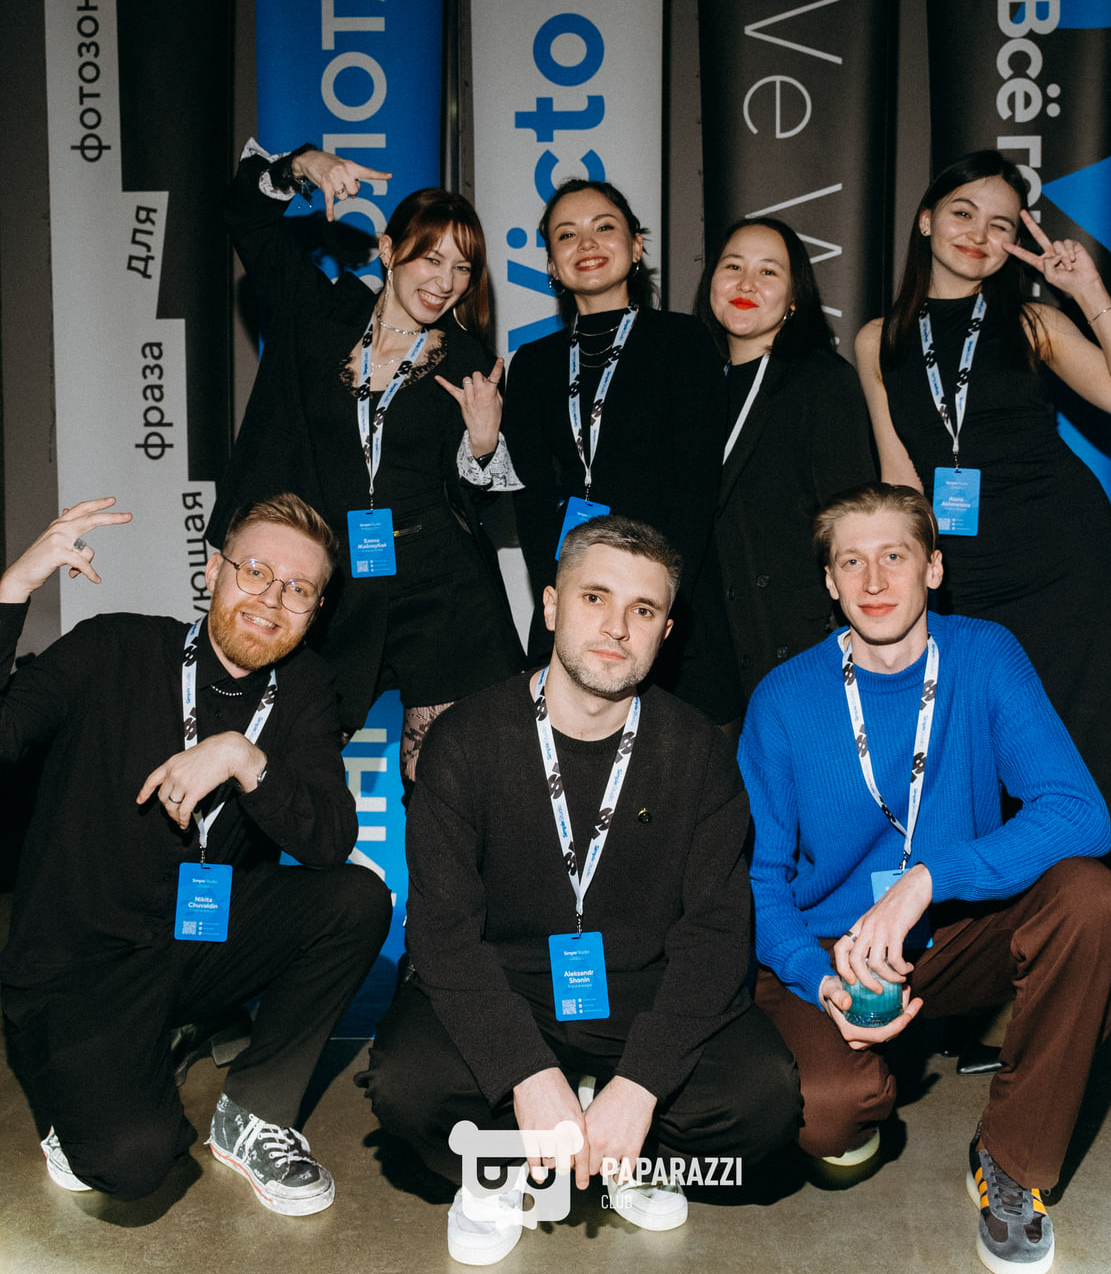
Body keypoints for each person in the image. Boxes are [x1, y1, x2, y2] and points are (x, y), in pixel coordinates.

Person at [357, 516, 799, 1266]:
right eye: (595, 598)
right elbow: (442, 934)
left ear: (666, 632)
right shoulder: (465, 740)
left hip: (642, 992)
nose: (617, 627)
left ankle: (624, 1142)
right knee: (407, 1085)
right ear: (552, 606)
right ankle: (503, 1167)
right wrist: (524, 1073)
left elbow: (718, 936)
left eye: (643, 609)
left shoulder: (699, 752)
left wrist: (643, 1083)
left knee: (765, 1101)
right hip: (506, 984)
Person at [739, 483, 1111, 1274]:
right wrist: (814, 979)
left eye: (895, 555)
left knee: (1092, 903)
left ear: (933, 567)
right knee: (830, 1117)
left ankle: (1012, 1159)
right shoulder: (784, 698)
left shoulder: (985, 655)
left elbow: (1080, 813)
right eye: (850, 562)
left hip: (954, 933)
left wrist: (931, 876)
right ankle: (866, 1078)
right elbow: (759, 878)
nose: (874, 580)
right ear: (829, 582)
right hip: (832, 949)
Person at [1, 494, 392, 1215]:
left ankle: (255, 1114)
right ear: (213, 570)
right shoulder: (113, 648)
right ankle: (83, 1085)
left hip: (192, 948)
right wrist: (11, 591)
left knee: (357, 899)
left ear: (314, 611)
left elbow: (330, 839)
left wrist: (246, 759)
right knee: (132, 1161)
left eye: (298, 589)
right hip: (78, 968)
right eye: (255, 571)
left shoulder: (304, 688)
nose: (271, 599)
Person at [854, 149, 1111, 900]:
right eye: (962, 213)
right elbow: (900, 473)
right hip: (961, 570)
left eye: (1000, 225)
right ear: (925, 220)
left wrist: (1088, 291)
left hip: (1065, 562)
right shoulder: (878, 340)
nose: (978, 234)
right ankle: (994, 922)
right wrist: (907, 570)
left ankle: (1100, 920)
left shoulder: (1033, 321)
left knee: (1083, 735)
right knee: (972, 746)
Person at [208, 140, 524, 779]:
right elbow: (245, 217)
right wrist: (303, 164)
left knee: (443, 782)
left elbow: (476, 496)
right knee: (268, 763)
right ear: (387, 250)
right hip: (327, 579)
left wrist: (484, 445)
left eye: (462, 268)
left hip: (440, 585)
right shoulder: (316, 312)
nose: (445, 282)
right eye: (430, 258)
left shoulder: (468, 360)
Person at [501, 179, 740, 724]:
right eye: (567, 234)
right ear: (552, 264)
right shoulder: (532, 364)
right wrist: (560, 595)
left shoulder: (683, 341)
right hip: (577, 602)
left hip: (670, 600)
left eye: (603, 227)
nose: (586, 243)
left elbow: (698, 488)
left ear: (636, 247)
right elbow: (532, 500)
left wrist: (658, 600)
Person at [695, 216, 874, 699]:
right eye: (733, 266)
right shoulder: (693, 384)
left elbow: (853, 522)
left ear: (795, 297)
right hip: (711, 650)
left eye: (768, 271)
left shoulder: (823, 380)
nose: (746, 284)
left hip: (797, 642)